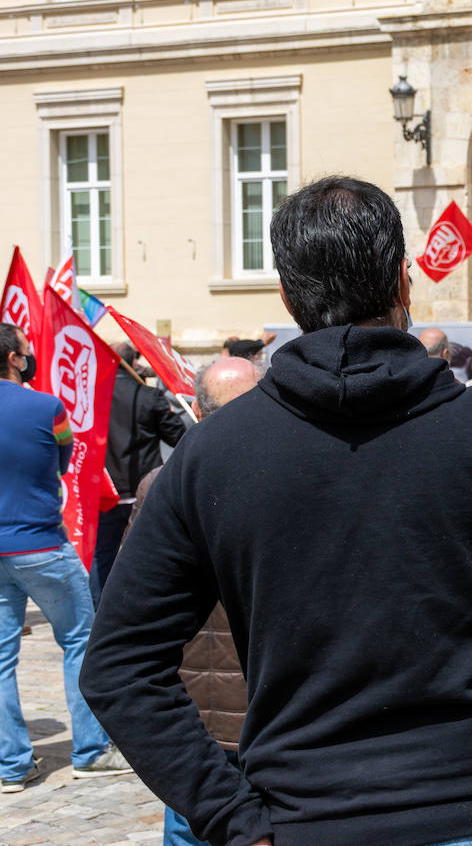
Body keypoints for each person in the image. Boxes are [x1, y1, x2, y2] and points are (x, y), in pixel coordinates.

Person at [79, 175, 472, 846]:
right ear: (403, 285)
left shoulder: (214, 452)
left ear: (286, 296)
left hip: (329, 818)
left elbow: (116, 664)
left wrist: (232, 819)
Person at [0, 323, 131, 794]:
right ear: (14, 359)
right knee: (80, 640)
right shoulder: (47, 406)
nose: (30, 353)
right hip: (39, 543)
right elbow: (60, 461)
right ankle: (91, 751)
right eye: (26, 348)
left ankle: (11, 766)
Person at [149, 357, 262, 846]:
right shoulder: (295, 482)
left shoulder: (162, 486)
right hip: (239, 714)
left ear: (196, 409)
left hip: (207, 716)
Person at [93, 343, 187, 609]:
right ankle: (142, 606)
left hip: (108, 487)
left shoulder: (93, 395)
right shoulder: (148, 395)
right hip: (143, 487)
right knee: (148, 554)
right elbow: (178, 435)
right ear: (133, 363)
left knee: (103, 554)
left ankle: (100, 608)